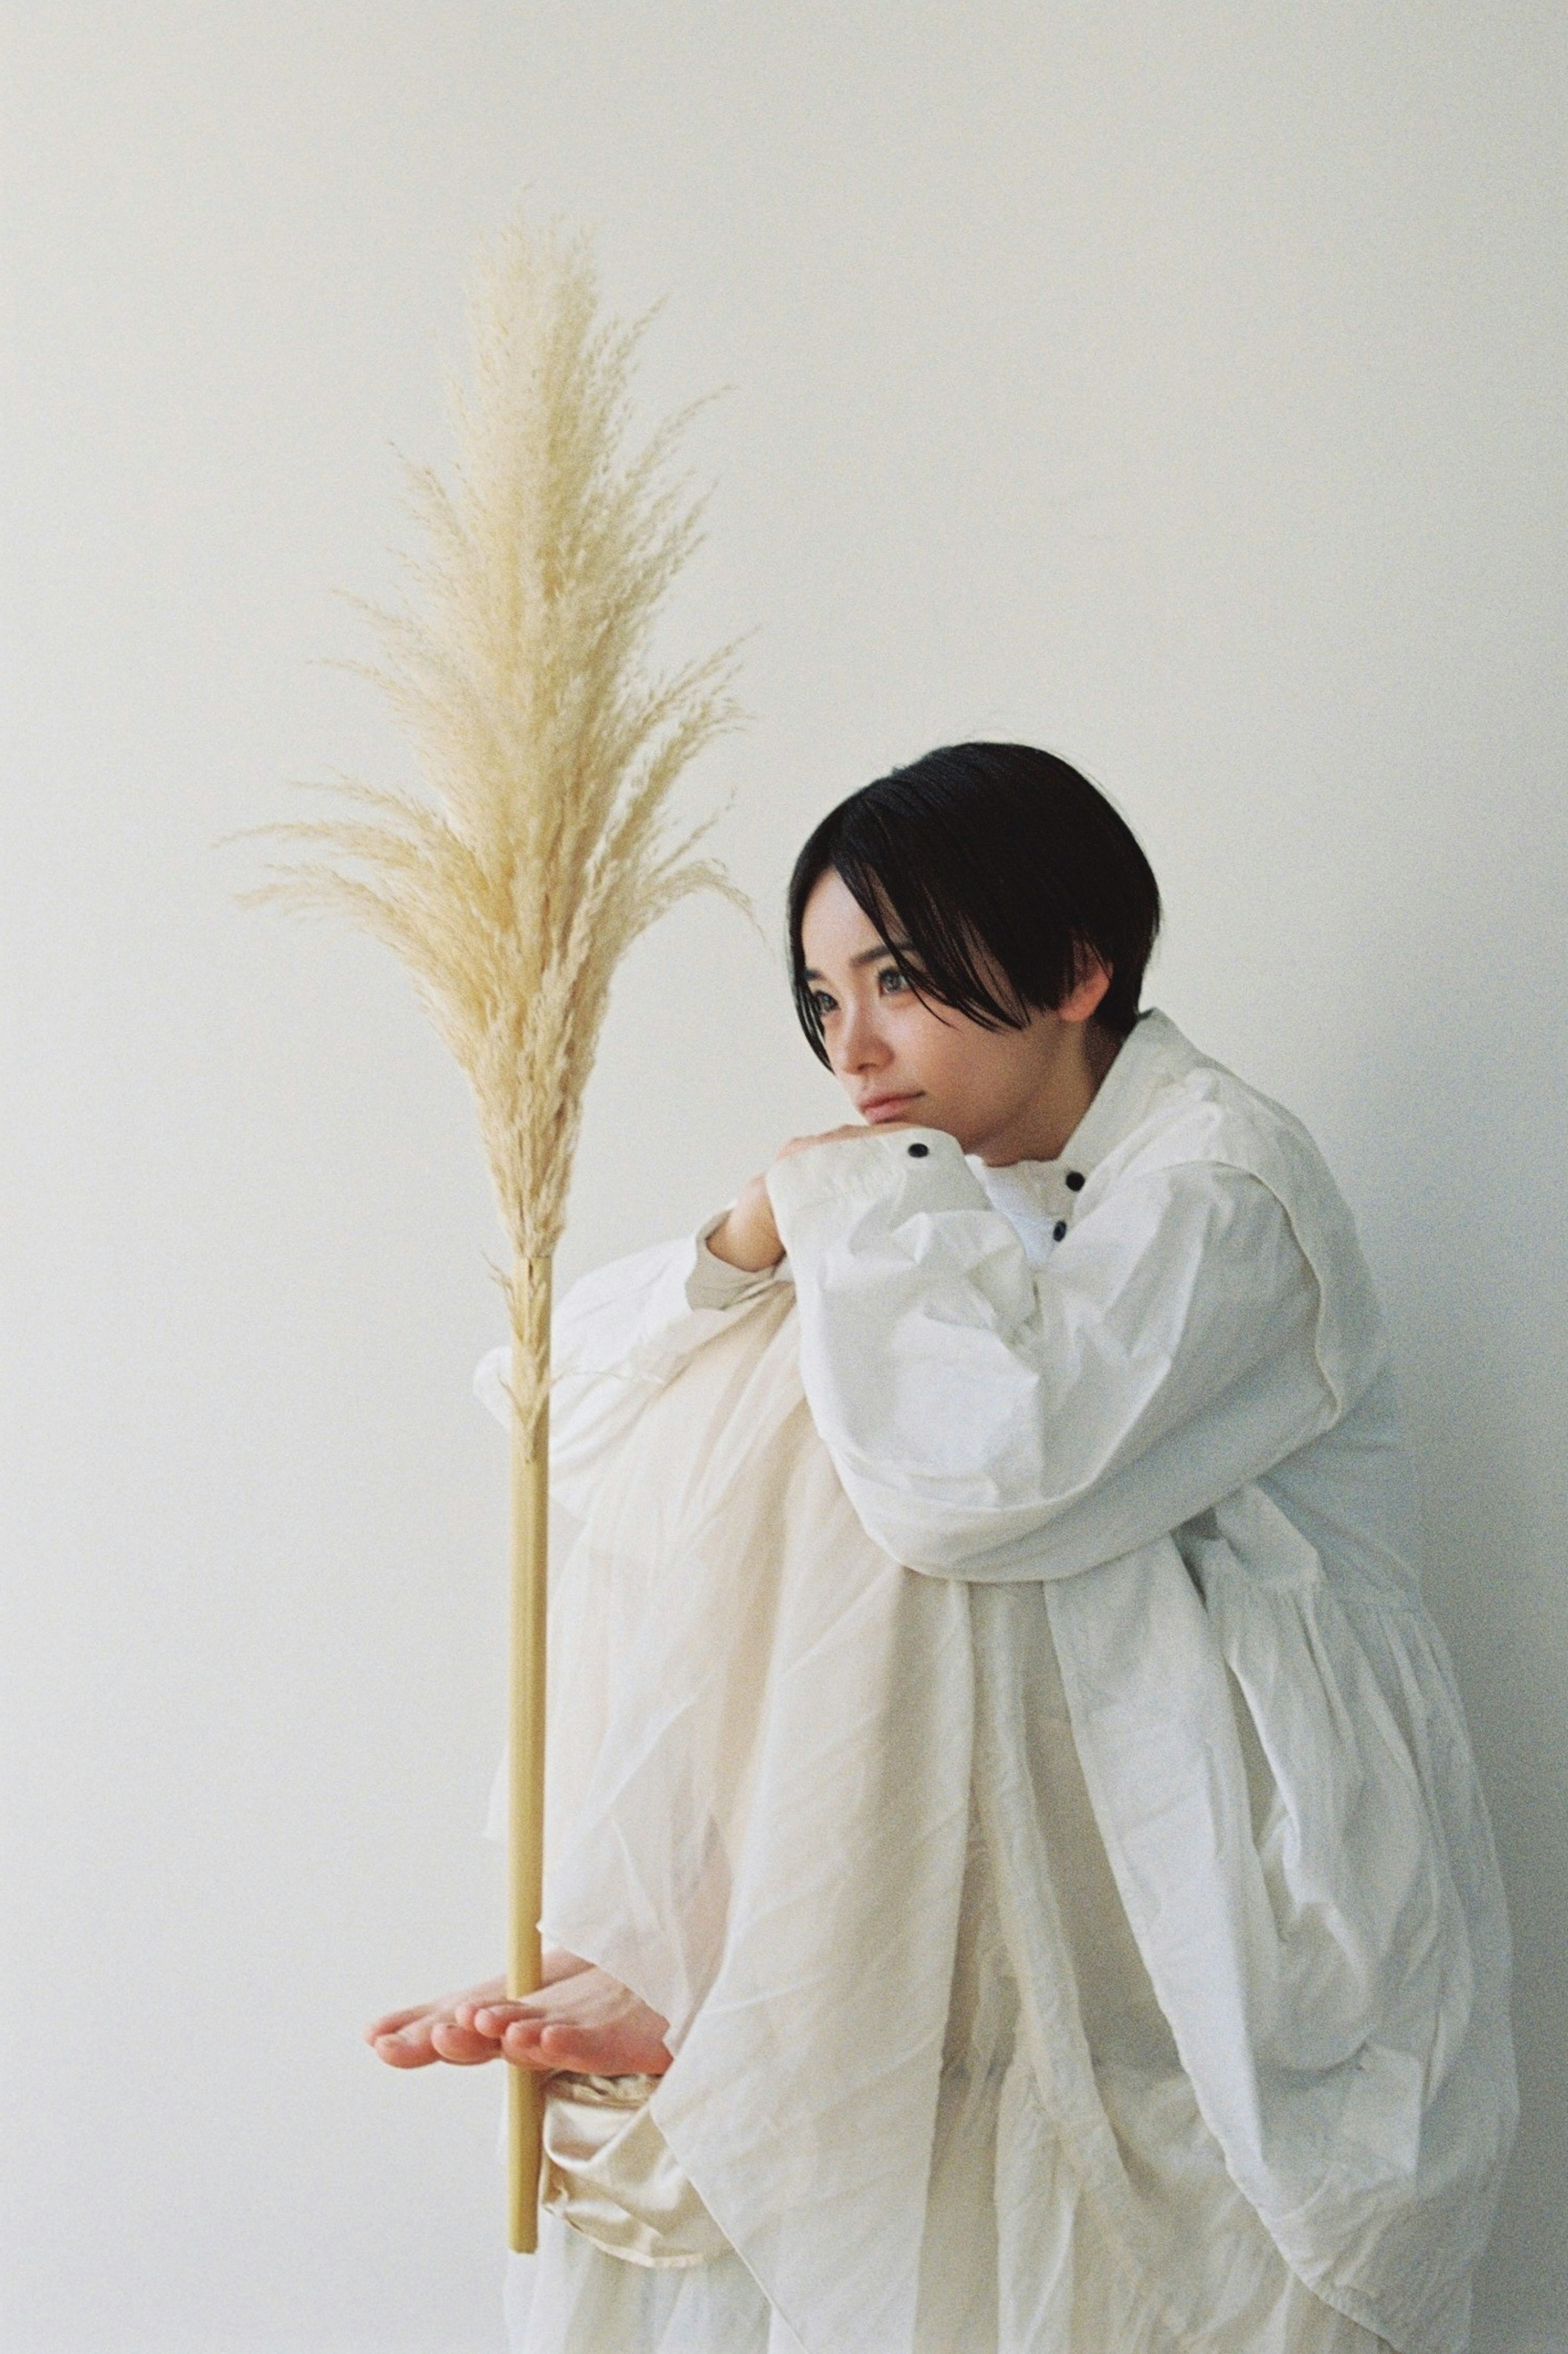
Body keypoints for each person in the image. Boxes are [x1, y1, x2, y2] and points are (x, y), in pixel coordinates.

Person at [366, 744, 1517, 2354]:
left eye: (895, 981)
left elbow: (969, 1476)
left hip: (1228, 1862)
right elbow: (559, 1400)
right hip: (1035, 1838)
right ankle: (716, 1941)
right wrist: (758, 1229)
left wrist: (852, 1216)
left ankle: (727, 1961)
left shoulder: (1227, 1189)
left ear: (1073, 967)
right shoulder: (963, 1202)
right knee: (780, 1352)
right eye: (820, 996)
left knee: (852, 1366)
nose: (853, 1048)